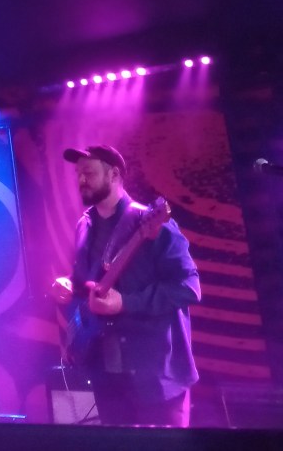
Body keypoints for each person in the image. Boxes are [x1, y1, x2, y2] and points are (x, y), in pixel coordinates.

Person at [49, 145, 201, 427]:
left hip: (155, 376)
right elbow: (86, 282)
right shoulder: (84, 225)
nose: (81, 180)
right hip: (107, 375)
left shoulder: (152, 223)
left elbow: (188, 286)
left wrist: (126, 303)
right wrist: (68, 285)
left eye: (89, 172)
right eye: (78, 173)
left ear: (114, 175)